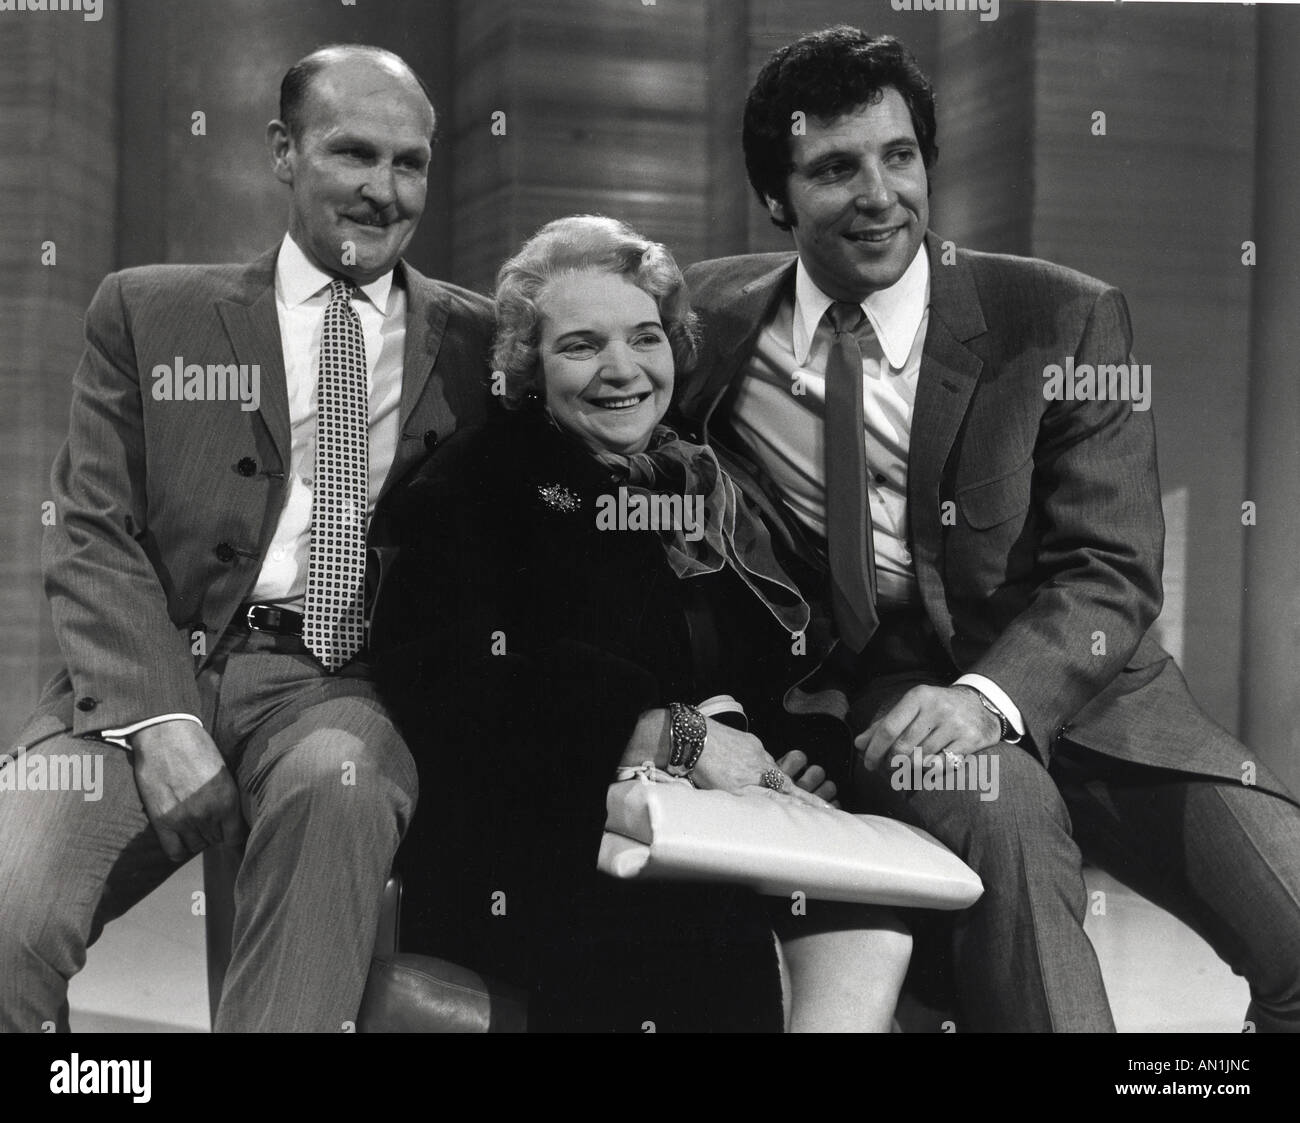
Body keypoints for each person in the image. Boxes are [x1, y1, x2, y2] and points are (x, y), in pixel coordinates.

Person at [677, 26, 1300, 1032]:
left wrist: (986, 696)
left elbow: (1109, 570)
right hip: (887, 712)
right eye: (835, 169)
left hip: (1102, 704)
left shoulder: (1059, 318)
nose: (879, 193)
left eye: (898, 157)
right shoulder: (707, 327)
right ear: (775, 198)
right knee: (1003, 810)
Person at [0, 45, 494, 1032]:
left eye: (409, 163)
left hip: (341, 687)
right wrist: (161, 720)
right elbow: (93, 532)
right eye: (354, 153)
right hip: (145, 682)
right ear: (282, 150)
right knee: (10, 910)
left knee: (336, 792)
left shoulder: (485, 345)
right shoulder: (149, 312)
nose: (382, 190)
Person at [370, 214, 913, 1033]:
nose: (622, 370)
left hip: (715, 821)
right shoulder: (478, 481)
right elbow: (445, 678)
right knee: (701, 934)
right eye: (582, 345)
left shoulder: (705, 478)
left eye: (645, 337)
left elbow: (785, 662)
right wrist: (663, 728)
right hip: (539, 832)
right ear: (528, 364)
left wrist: (805, 757)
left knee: (869, 927)